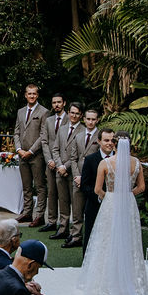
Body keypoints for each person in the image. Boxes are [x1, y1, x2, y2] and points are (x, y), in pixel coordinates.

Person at [76, 136, 148, 295]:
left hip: (110, 203)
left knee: (106, 240)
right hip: (128, 203)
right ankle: (130, 281)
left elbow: (96, 190)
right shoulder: (137, 163)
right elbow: (141, 187)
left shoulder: (106, 163)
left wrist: (109, 197)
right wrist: (127, 194)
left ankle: (105, 282)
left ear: (115, 145)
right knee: (128, 240)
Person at [70, 127, 116, 251]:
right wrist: (100, 198)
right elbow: (85, 185)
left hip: (115, 206)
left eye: (112, 140)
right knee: (91, 235)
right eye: (106, 140)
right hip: (94, 205)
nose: (110, 143)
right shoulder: (90, 159)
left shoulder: (119, 159)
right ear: (99, 141)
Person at [13, 84, 48, 226]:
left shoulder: (44, 112)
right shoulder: (20, 111)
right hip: (22, 154)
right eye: (29, 93)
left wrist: (31, 151)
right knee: (26, 186)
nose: (32, 96)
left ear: (37, 95)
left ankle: (39, 216)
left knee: (39, 186)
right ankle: (27, 213)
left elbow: (43, 134)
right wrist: (19, 149)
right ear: (25, 95)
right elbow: (16, 132)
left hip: (36, 155)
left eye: (34, 94)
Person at [49, 103, 82, 241]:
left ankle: (74, 232)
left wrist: (65, 167)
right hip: (60, 171)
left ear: (81, 115)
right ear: (68, 113)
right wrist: (59, 165)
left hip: (73, 172)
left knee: (76, 204)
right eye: (72, 112)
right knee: (62, 202)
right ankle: (62, 228)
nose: (74, 116)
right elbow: (55, 149)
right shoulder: (62, 129)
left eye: (77, 113)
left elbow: (79, 154)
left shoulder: (83, 130)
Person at [38, 93, 66, 233]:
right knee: (51, 192)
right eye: (54, 102)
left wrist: (60, 162)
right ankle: (51, 221)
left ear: (64, 103)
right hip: (50, 163)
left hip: (63, 163)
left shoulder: (70, 119)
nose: (56, 105)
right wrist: (49, 159)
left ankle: (64, 224)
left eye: (59, 102)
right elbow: (44, 141)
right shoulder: (48, 120)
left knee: (63, 195)